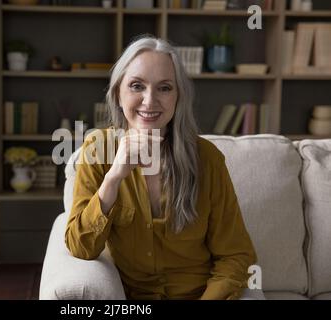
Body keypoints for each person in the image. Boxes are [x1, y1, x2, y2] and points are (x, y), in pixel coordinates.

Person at [65, 36, 257, 300]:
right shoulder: (97, 151)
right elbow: (80, 247)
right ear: (118, 93)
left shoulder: (208, 159)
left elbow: (236, 255)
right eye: (136, 86)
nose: (149, 100)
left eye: (164, 88)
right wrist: (113, 178)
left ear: (178, 97)